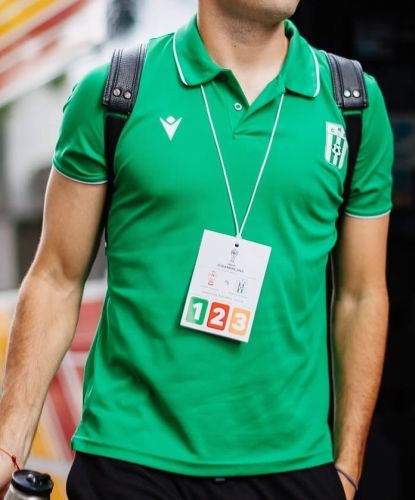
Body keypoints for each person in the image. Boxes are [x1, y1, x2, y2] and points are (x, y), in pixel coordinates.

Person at [0, 0, 393, 498]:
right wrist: (8, 445)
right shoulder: (116, 92)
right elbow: (56, 278)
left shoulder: (353, 103)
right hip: (130, 461)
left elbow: (361, 295)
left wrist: (348, 470)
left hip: (292, 467)